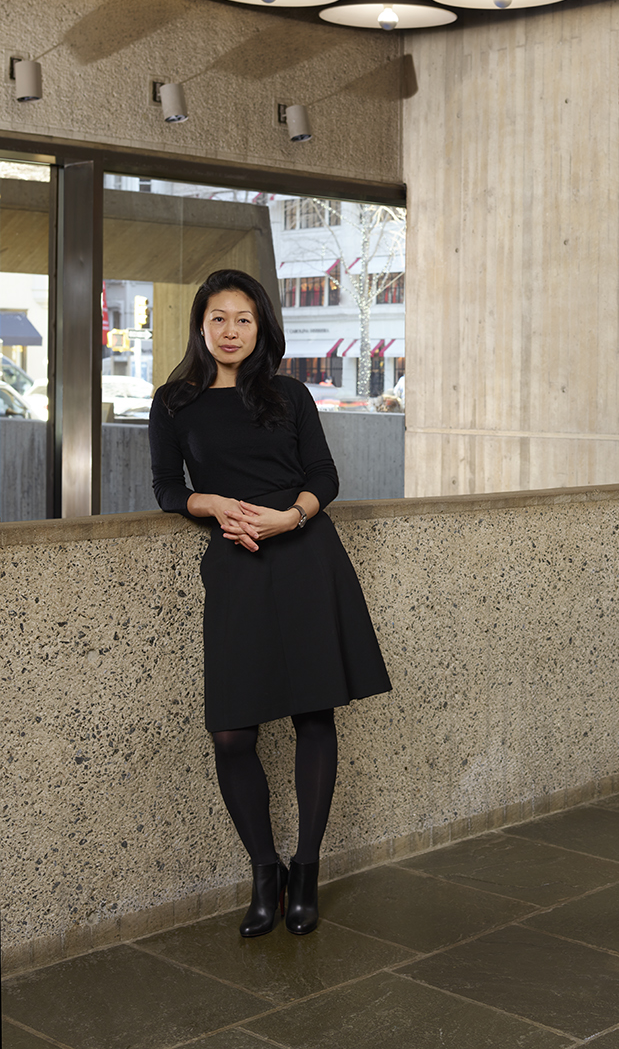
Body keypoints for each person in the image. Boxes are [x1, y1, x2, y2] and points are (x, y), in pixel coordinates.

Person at [149, 269, 391, 938]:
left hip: (306, 556)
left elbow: (324, 475)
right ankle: (265, 871)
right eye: (218, 318)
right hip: (236, 564)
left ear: (262, 329)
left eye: (243, 319)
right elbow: (167, 486)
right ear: (201, 325)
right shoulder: (174, 402)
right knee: (231, 730)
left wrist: (292, 517)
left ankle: (306, 869)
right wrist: (211, 504)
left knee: (314, 714)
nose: (230, 331)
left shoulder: (288, 393)